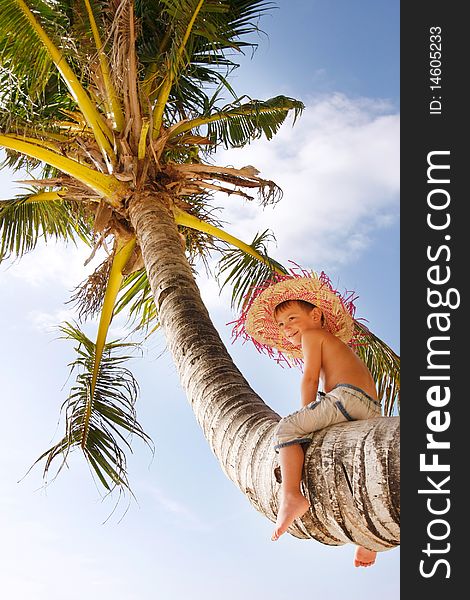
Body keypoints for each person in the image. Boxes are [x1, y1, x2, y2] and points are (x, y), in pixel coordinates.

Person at [233, 269, 382, 568]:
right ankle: (368, 540)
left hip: (346, 397)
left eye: (292, 319)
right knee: (346, 465)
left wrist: (304, 413)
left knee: (287, 429)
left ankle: (291, 495)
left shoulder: (314, 335)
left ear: (315, 315)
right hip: (368, 407)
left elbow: (309, 378)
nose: (286, 327)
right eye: (280, 324)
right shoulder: (328, 341)